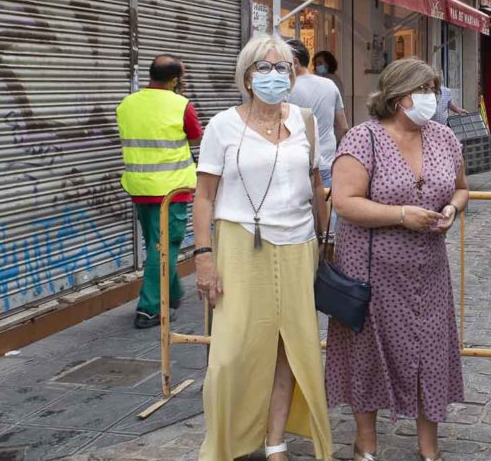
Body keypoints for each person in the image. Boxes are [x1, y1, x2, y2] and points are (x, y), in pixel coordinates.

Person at [192, 35, 333, 461]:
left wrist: (328, 242)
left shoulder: (304, 120)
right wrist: (203, 257)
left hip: (298, 246)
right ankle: (224, 441)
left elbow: (314, 185)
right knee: (230, 355)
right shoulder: (222, 125)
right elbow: (203, 196)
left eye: (282, 67)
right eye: (263, 67)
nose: (274, 75)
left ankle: (275, 442)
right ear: (247, 75)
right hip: (239, 246)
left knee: (289, 349)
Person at [327, 57, 469, 461]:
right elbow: (345, 201)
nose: (431, 98)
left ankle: (429, 448)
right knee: (368, 350)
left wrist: (452, 211)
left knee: (430, 350)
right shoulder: (363, 138)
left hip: (428, 269)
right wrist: (401, 215)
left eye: (433, 90)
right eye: (422, 90)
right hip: (371, 269)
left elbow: (460, 189)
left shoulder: (443, 137)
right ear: (397, 96)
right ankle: (365, 444)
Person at [116, 54, 201, 330]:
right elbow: (195, 135)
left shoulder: (127, 104)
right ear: (175, 80)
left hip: (139, 187)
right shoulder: (180, 105)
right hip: (171, 189)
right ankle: (150, 309)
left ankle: (173, 293)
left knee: (156, 243)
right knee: (164, 248)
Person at [287, 39, 349, 187]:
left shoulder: (288, 88)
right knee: (326, 207)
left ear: (295, 62)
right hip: (327, 163)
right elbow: (343, 126)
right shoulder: (329, 84)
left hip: (298, 164)